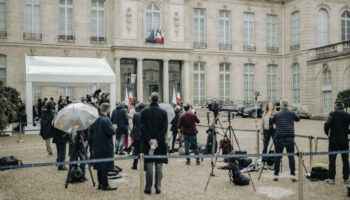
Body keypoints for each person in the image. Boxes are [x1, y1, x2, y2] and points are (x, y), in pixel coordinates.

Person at [140, 93, 168, 195]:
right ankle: (158, 187)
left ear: (150, 99)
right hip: (159, 143)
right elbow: (164, 129)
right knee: (159, 164)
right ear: (158, 100)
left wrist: (150, 140)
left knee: (149, 165)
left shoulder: (143, 112)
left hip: (148, 143)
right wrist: (156, 140)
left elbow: (142, 128)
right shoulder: (164, 112)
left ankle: (148, 187)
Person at [270, 99, 300, 182]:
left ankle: (276, 174)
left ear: (281, 105)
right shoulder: (291, 113)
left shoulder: (277, 114)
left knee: (278, 157)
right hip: (290, 137)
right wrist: (294, 111)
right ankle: (293, 174)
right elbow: (298, 119)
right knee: (291, 157)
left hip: (279, 137)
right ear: (287, 105)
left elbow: (271, 122)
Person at [324, 100, 350, 185]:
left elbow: (327, 124)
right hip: (344, 141)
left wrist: (327, 133)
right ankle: (346, 179)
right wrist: (347, 132)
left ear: (335, 106)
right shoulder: (347, 115)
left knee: (332, 160)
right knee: (345, 160)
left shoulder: (332, 113)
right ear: (343, 106)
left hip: (333, 141)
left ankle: (332, 179)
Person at [94, 103, 117, 191]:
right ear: (107, 109)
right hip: (105, 145)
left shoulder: (98, 119)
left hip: (98, 145)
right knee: (105, 166)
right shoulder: (106, 119)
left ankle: (100, 183)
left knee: (100, 165)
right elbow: (111, 132)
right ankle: (105, 185)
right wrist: (114, 127)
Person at [52, 102, 69, 170]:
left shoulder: (57, 113)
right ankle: (61, 165)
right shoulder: (64, 115)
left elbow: (52, 123)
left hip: (57, 134)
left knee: (59, 150)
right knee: (63, 151)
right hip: (62, 134)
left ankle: (59, 163)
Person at [130, 103, 146, 170]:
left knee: (136, 150)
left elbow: (134, 123)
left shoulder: (136, 114)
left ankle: (134, 165)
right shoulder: (146, 115)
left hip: (136, 134)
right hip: (143, 134)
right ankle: (144, 167)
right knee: (144, 151)